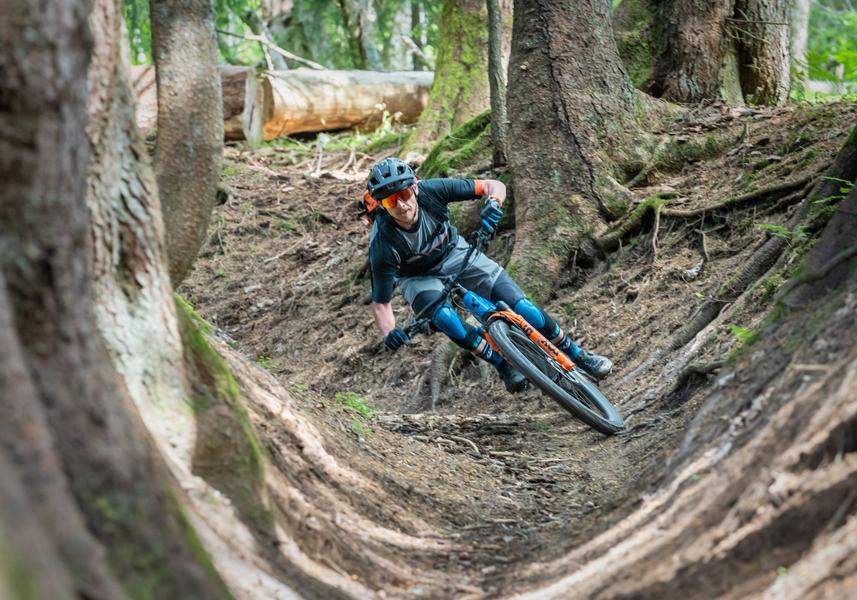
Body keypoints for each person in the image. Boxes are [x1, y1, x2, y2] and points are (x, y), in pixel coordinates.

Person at [364, 157, 612, 393]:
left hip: (455, 253)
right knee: (445, 319)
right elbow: (381, 303)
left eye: (404, 195)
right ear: (382, 207)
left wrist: (494, 203)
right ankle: (502, 364)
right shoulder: (382, 243)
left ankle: (579, 355)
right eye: (390, 202)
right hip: (418, 279)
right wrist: (390, 333)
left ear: (415, 187)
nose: (401, 205)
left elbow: (494, 186)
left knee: (523, 308)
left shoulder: (433, 191)